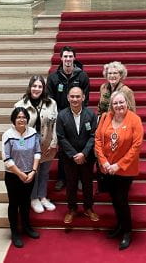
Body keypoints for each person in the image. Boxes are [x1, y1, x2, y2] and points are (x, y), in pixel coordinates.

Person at [95, 91, 144, 250]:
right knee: (114, 200)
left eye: (121, 102)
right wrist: (104, 162)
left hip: (125, 170)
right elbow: (97, 139)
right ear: (111, 105)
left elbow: (136, 147)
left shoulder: (135, 120)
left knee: (121, 200)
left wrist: (118, 165)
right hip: (107, 168)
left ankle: (127, 232)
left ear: (127, 103)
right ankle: (120, 226)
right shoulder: (105, 117)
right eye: (115, 103)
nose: (118, 106)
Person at [47, 46, 90, 191]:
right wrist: (63, 115)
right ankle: (61, 177)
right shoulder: (53, 77)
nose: (68, 59)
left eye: (70, 56)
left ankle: (78, 178)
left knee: (78, 146)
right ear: (61, 58)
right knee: (63, 149)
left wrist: (77, 114)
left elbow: (86, 99)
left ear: (74, 58)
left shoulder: (82, 76)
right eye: (65, 56)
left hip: (78, 116)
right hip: (60, 118)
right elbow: (50, 101)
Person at [15, 75, 58, 214]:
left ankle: (42, 196)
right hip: (29, 144)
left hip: (47, 142)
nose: (37, 89)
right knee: (34, 172)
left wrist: (54, 142)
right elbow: (16, 129)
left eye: (40, 86)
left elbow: (56, 124)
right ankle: (33, 198)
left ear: (43, 88)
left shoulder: (51, 103)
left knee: (44, 172)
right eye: (34, 86)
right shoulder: (20, 105)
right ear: (30, 87)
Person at [56, 86, 99, 224]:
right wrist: (75, 154)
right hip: (69, 158)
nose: (75, 99)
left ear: (83, 97)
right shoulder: (62, 115)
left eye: (78, 96)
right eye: (72, 96)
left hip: (87, 157)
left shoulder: (91, 115)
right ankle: (72, 209)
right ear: (68, 98)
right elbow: (61, 138)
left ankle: (88, 208)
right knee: (71, 183)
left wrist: (84, 153)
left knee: (87, 183)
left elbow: (93, 136)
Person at [2, 107, 41, 248]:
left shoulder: (33, 132)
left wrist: (33, 171)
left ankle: (27, 227)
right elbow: (7, 159)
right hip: (13, 176)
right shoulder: (7, 135)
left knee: (25, 203)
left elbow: (37, 152)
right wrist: (20, 174)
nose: (21, 119)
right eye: (18, 117)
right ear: (13, 119)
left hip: (30, 174)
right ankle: (14, 232)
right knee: (14, 204)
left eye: (24, 117)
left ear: (27, 119)